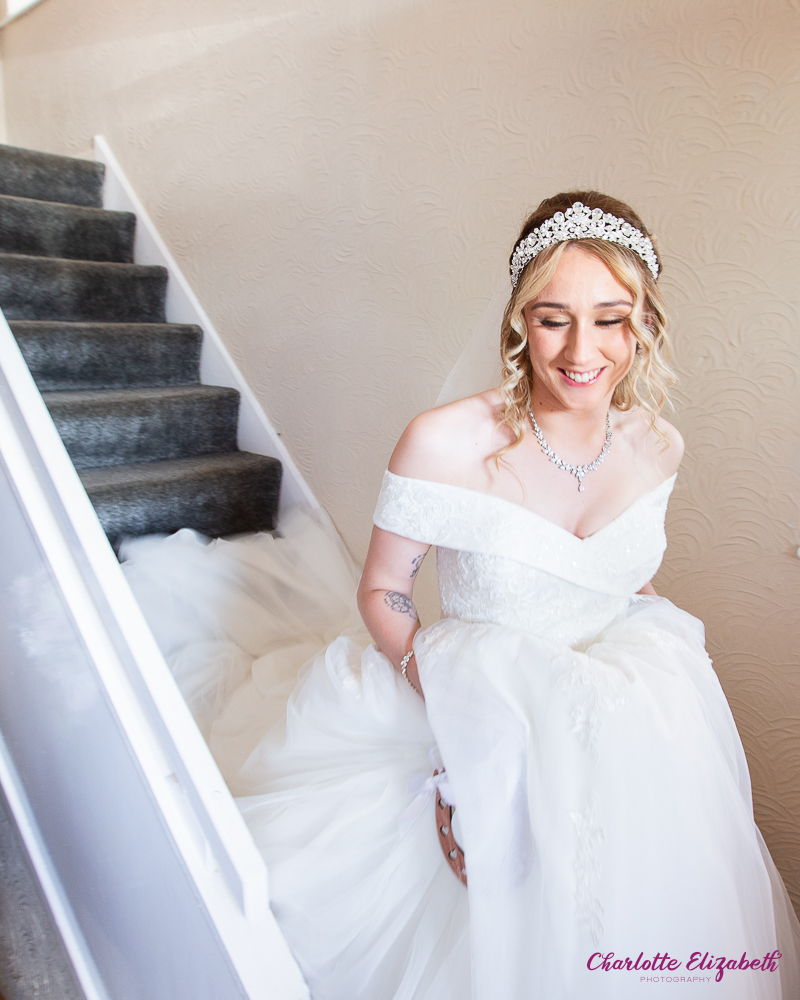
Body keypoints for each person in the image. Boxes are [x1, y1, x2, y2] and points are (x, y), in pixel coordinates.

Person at [122, 192, 800, 999]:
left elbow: (626, 574)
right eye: (554, 318)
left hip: (618, 709)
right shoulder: (443, 441)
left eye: (611, 318)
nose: (582, 349)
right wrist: (455, 728)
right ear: (517, 320)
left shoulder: (659, 444)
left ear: (645, 320)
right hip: (466, 695)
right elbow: (384, 591)